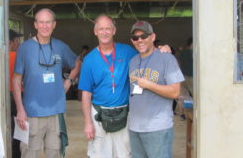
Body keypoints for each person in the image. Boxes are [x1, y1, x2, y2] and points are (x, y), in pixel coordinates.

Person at [78, 14, 171, 158]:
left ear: (114, 30)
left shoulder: (127, 51)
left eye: (108, 28)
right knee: (99, 154)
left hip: (125, 114)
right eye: (101, 29)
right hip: (99, 116)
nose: (104, 32)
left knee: (125, 154)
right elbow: (86, 94)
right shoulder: (89, 59)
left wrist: (163, 49)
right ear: (95, 31)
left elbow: (146, 55)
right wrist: (87, 123)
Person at [12, 8, 81, 158]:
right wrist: (20, 109)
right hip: (31, 112)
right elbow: (16, 79)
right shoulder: (24, 48)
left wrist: (69, 81)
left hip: (56, 112)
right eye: (41, 22)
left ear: (54, 24)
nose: (45, 26)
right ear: (35, 25)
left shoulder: (60, 46)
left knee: (56, 153)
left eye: (48, 22)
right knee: (29, 154)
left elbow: (77, 63)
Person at [128, 20, 184, 158]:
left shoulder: (167, 58)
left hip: (157, 128)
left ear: (152, 37)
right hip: (134, 127)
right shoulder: (133, 61)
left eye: (144, 36)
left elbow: (175, 92)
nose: (139, 40)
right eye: (135, 38)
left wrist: (149, 85)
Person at [9, 29, 23, 158]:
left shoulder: (0, 57)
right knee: (18, 132)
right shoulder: (16, 57)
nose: (17, 42)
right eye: (16, 40)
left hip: (6, 96)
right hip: (17, 96)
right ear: (10, 42)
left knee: (10, 129)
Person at [176, 37, 193, 119]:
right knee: (196, 96)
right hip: (191, 76)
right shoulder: (194, 52)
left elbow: (178, 64)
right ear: (192, 43)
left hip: (181, 77)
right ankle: (193, 114)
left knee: (182, 96)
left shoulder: (181, 52)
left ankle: (181, 114)